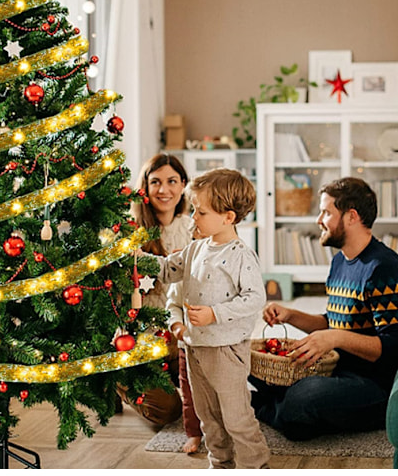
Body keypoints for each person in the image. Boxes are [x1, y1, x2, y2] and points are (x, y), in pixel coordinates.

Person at [250, 177, 398, 440]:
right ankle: (283, 409)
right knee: (250, 364)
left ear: (351, 217)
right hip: (336, 370)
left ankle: (269, 408)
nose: (318, 220)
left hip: (374, 386)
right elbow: (336, 321)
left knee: (303, 397)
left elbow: (393, 347)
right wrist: (291, 315)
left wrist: (336, 338)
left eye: (327, 212)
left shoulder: (384, 267)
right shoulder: (340, 261)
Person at [150, 167, 270, 469]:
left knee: (237, 417)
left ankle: (256, 466)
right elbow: (166, 270)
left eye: (200, 213)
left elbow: (254, 298)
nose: (193, 218)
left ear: (228, 217)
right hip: (194, 349)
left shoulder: (242, 255)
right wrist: (134, 258)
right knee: (208, 416)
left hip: (226, 350)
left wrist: (215, 313)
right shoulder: (194, 249)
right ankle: (220, 463)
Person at [118, 153, 202, 449]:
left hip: (183, 329)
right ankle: (120, 383)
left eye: (171, 181)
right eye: (155, 182)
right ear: (145, 187)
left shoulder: (196, 228)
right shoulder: (130, 231)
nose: (164, 190)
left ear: (183, 186)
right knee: (166, 410)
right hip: (142, 334)